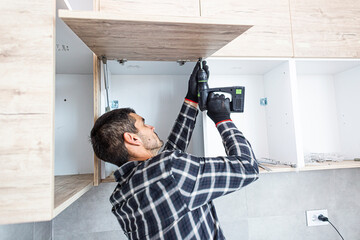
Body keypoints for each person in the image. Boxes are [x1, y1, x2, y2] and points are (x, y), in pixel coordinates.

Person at [90, 61, 259, 240]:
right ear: (132, 138)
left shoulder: (120, 199)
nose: (151, 126)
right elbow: (248, 168)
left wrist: (191, 99)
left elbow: (164, 170)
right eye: (144, 124)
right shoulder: (169, 171)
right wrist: (222, 119)